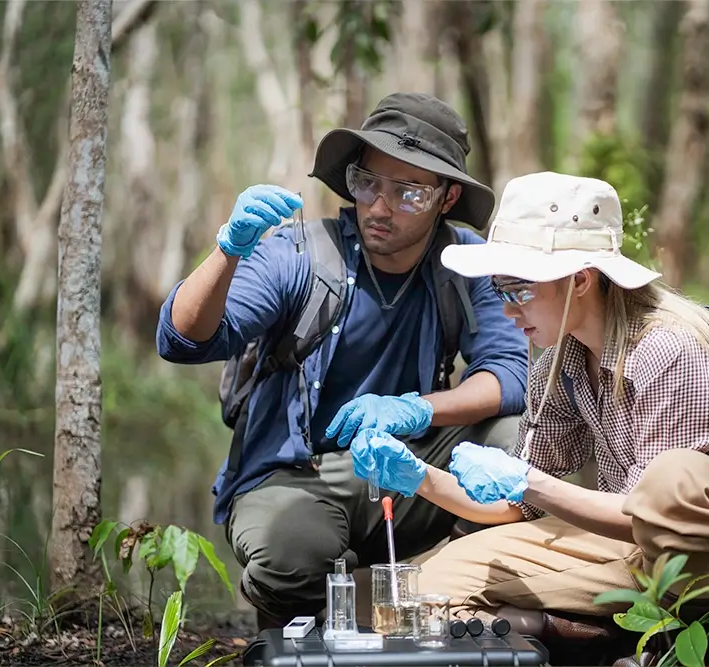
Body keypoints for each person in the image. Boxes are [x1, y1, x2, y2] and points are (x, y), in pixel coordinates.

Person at [346, 172, 709, 666]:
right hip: (628, 549)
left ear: (580, 281)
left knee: (676, 478)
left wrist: (529, 482)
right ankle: (583, 639)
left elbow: (656, 511)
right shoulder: (560, 364)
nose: (507, 310)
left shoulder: (670, 349)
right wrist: (419, 477)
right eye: (500, 289)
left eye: (518, 289)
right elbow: (512, 506)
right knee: (389, 597)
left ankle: (680, 652)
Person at [154, 92, 529, 628]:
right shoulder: (301, 255)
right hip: (297, 474)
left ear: (446, 199)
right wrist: (228, 251)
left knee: (515, 439)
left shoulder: (465, 264)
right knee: (291, 557)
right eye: (368, 182)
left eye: (408, 193)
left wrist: (418, 409)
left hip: (408, 466)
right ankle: (331, 610)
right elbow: (182, 340)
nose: (379, 206)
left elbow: (510, 377)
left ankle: (459, 592)